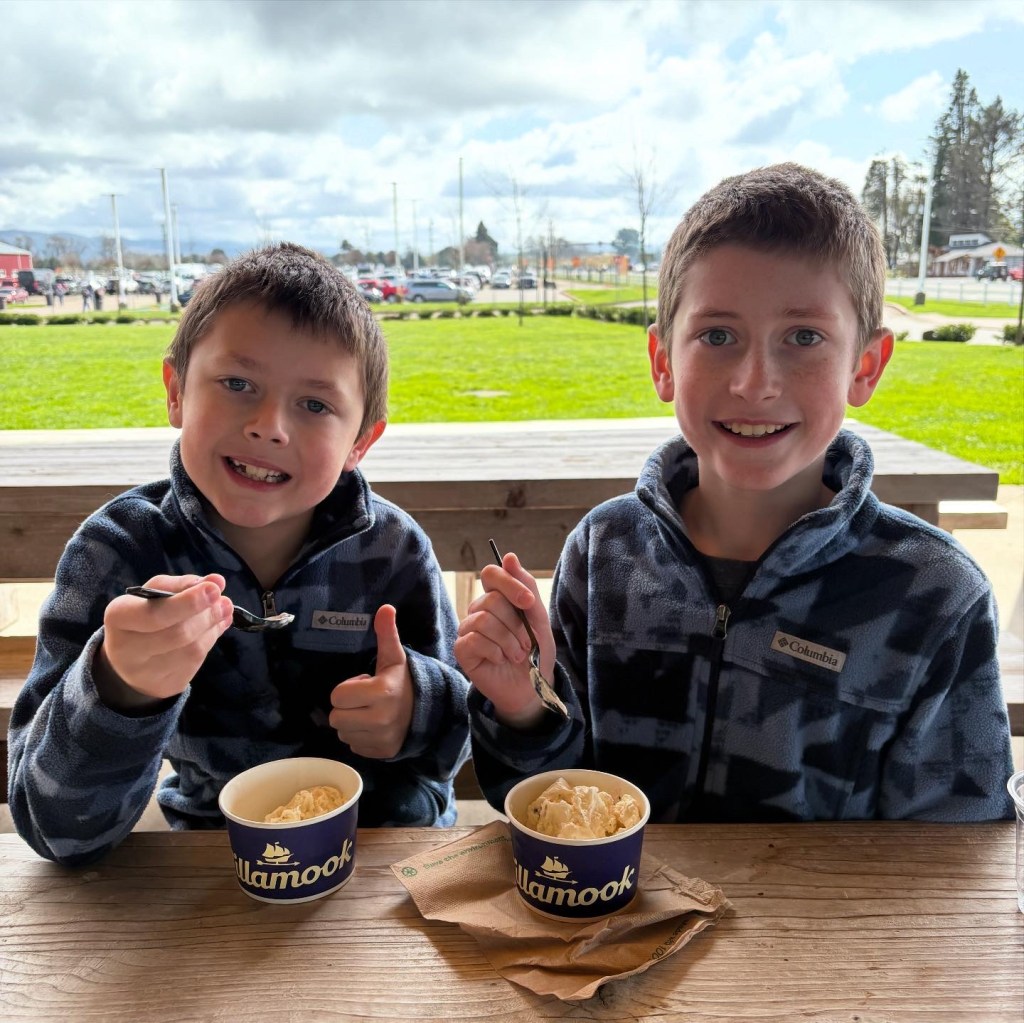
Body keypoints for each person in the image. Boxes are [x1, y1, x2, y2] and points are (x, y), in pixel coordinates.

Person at [456, 163, 1014, 824]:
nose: (755, 383)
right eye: (717, 336)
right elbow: (558, 803)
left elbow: (961, 848)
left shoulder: (935, 595)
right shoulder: (603, 554)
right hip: (626, 895)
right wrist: (524, 706)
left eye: (804, 337)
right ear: (663, 362)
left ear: (864, 366)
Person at [9, 242, 471, 866]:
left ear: (360, 442)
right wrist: (119, 688)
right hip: (215, 859)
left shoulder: (393, 551)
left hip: (389, 861)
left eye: (315, 404)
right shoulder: (119, 551)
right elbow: (56, 831)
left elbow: (462, 737)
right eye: (237, 384)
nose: (268, 426)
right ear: (176, 391)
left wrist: (418, 710)